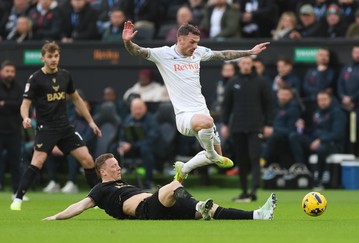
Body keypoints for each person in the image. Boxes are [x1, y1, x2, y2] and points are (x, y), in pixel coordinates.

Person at [122, 21, 270, 182]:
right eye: (192, 42)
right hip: (184, 116)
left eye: (197, 42)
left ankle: (184, 168)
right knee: (208, 127)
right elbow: (138, 51)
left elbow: (223, 54)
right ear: (180, 39)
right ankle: (210, 154)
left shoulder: (198, 52)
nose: (195, 46)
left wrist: (249, 52)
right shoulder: (163, 54)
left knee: (217, 155)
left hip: (202, 111)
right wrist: (127, 42)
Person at [42, 153, 277, 221]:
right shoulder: (100, 190)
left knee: (212, 208)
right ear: (102, 171)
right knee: (172, 185)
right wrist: (55, 217)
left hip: (160, 205)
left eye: (118, 165)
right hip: (147, 210)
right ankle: (197, 205)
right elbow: (80, 205)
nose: (118, 168)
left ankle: (257, 215)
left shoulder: (123, 183)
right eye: (114, 166)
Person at [10, 41, 102, 211]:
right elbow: (25, 104)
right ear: (42, 58)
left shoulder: (65, 75)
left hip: (65, 127)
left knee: (88, 160)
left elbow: (76, 99)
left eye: (56, 56)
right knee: (37, 161)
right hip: (47, 128)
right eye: (50, 56)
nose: (53, 59)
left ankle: (96, 199)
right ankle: (18, 198)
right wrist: (25, 118)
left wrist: (91, 121)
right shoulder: (35, 79)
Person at [221, 56, 273, 202]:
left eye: (248, 63)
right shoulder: (232, 82)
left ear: (252, 64)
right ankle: (244, 191)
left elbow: (269, 104)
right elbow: (227, 105)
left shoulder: (261, 82)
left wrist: (269, 124)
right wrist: (225, 124)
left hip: (255, 126)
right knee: (241, 160)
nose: (246, 66)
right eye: (243, 63)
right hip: (237, 126)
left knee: (255, 158)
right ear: (239, 64)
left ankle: (254, 189)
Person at [289, 90, 346, 189]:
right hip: (316, 141)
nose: (322, 102)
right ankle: (303, 170)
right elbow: (313, 131)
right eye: (320, 100)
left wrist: (321, 140)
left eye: (324, 99)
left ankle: (319, 180)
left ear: (330, 100)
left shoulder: (338, 112)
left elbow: (338, 133)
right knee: (294, 137)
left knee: (322, 148)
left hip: (333, 144)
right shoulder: (317, 113)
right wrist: (303, 128)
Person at [118, 98, 165, 189]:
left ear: (145, 108)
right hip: (133, 149)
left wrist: (131, 145)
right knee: (114, 148)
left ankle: (149, 181)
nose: (137, 111)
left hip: (152, 149)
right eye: (135, 108)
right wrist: (122, 144)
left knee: (145, 148)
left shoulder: (152, 120)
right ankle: (115, 182)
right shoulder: (128, 120)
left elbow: (151, 139)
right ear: (131, 109)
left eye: (139, 108)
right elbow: (122, 136)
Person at [0, 60, 23, 195]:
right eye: (7, 71)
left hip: (14, 131)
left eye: (12, 71)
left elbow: (21, 105)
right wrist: (12, 105)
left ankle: (17, 192)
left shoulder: (19, 88)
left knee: (16, 162)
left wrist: (4, 104)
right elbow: (15, 105)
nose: (10, 74)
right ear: (1, 72)